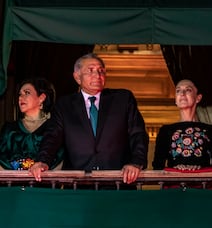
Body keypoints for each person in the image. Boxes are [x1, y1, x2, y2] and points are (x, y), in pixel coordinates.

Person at [29, 53, 149, 184]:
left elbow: (138, 134)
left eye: (101, 71)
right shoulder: (64, 105)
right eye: (90, 71)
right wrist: (42, 161)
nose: (97, 75)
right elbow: (52, 137)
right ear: (77, 77)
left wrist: (136, 163)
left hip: (119, 183)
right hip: (78, 185)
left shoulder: (123, 99)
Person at [152, 79, 212, 172]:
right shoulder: (166, 131)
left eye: (188, 90)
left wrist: (198, 170)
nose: (182, 93)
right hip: (175, 184)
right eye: (178, 91)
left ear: (198, 98)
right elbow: (157, 166)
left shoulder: (210, 130)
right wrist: (177, 170)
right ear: (175, 100)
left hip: (202, 184)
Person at [0, 77, 63, 170]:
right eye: (19, 94)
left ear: (41, 98)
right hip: (12, 183)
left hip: (44, 183)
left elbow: (59, 159)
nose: (21, 97)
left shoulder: (54, 128)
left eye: (27, 93)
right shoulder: (9, 129)